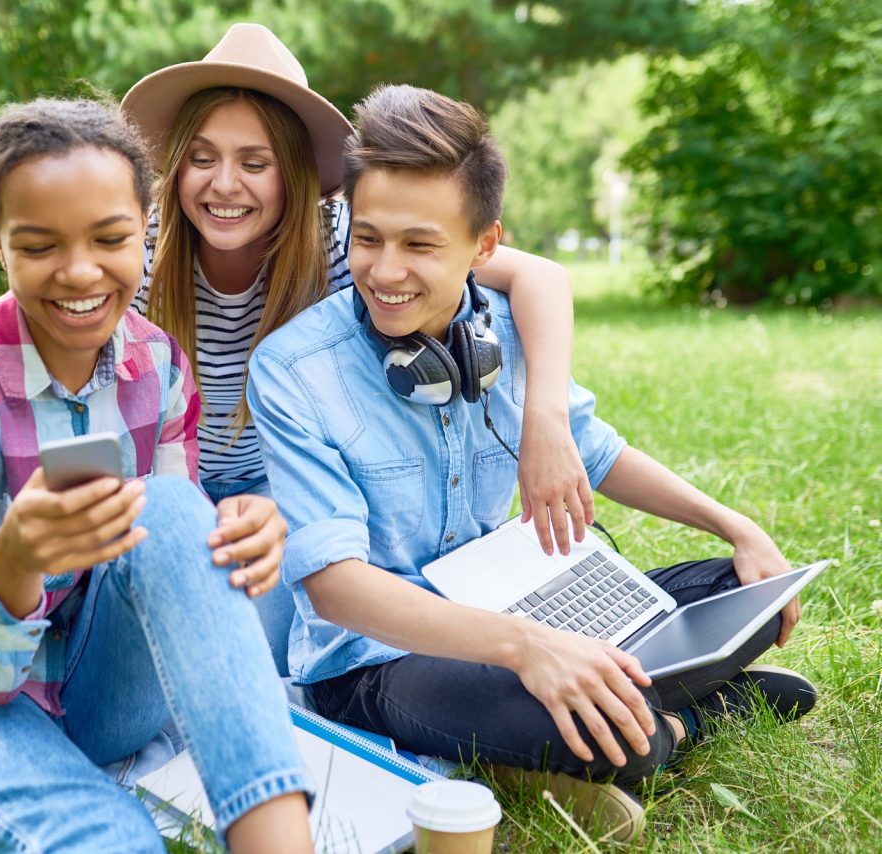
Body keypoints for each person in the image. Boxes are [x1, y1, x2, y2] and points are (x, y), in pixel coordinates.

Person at [245, 85, 816, 842]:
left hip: (515, 607)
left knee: (748, 591)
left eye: (419, 245)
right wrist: (531, 648)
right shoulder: (294, 368)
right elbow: (337, 590)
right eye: (368, 239)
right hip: (379, 661)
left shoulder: (504, 331)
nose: (384, 272)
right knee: (627, 735)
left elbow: (601, 453)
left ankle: (629, 714)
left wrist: (734, 525)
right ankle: (682, 723)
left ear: (485, 247)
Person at [0, 24, 595, 572]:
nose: (223, 185)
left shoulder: (346, 243)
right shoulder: (149, 238)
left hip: (293, 499)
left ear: (293, 174)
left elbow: (538, 278)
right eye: (201, 158)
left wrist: (546, 420)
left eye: (254, 162)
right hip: (166, 492)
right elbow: (12, 314)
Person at [0, 97, 314, 853]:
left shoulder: (160, 368)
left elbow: (170, 562)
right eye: (40, 246)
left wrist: (235, 542)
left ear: (148, 224)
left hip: (92, 681)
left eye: (110, 238)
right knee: (112, 840)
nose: (79, 272)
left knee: (179, 506)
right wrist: (16, 563)